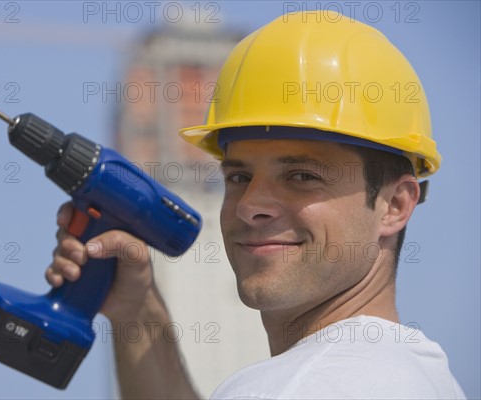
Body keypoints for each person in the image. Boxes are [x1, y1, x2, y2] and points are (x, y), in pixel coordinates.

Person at [45, 11, 465, 399]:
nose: (251, 205)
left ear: (395, 204)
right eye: (239, 177)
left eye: (302, 177)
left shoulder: (301, 386)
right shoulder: (416, 376)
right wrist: (135, 312)